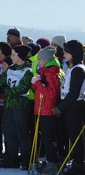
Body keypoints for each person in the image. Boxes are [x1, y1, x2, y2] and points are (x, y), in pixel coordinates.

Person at [0, 45, 33, 170]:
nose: (11, 57)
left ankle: (25, 159)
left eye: (13, 55)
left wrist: (5, 91)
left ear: (20, 56)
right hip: (8, 105)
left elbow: (22, 89)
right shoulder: (11, 69)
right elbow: (3, 82)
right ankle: (12, 158)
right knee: (10, 132)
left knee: (21, 132)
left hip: (20, 105)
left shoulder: (27, 71)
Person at [53, 40, 85, 175]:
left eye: (67, 52)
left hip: (75, 107)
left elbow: (73, 94)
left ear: (74, 53)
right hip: (69, 107)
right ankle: (75, 162)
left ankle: (79, 164)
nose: (64, 54)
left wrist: (60, 107)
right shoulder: (72, 67)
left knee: (76, 137)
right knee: (71, 136)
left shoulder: (78, 69)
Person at [31, 46, 63, 175]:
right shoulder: (47, 71)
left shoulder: (51, 72)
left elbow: (51, 93)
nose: (38, 62)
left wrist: (37, 83)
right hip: (44, 108)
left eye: (40, 60)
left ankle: (53, 162)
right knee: (47, 136)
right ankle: (52, 160)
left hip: (48, 109)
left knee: (47, 137)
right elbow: (42, 90)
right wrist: (36, 83)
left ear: (46, 60)